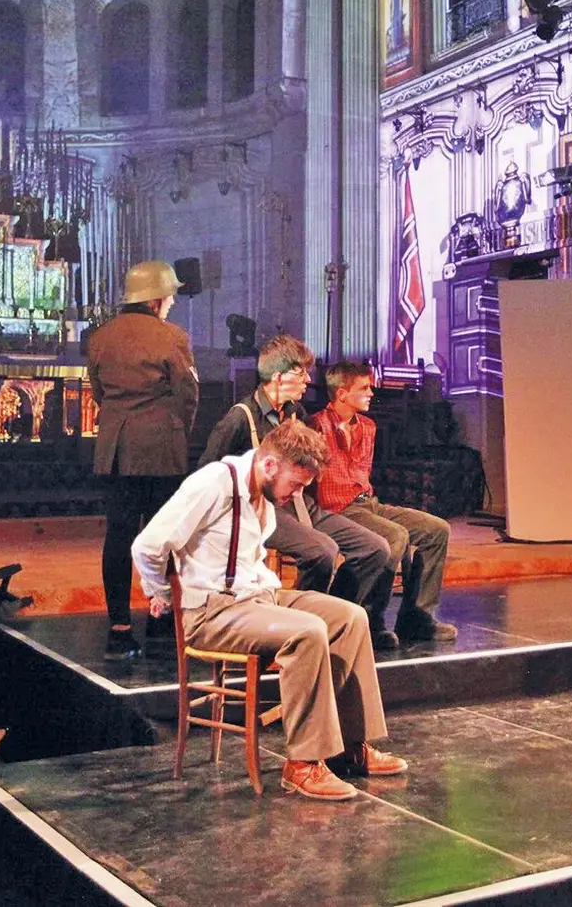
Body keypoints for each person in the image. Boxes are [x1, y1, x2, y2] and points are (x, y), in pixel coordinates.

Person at [131, 421, 408, 801]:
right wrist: (160, 592)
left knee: (350, 619)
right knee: (307, 631)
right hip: (214, 611)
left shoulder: (262, 494)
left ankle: (349, 747)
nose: (296, 494)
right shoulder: (214, 482)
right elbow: (147, 546)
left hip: (257, 598)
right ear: (270, 465)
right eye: (295, 485)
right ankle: (303, 765)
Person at [198, 334, 395, 645]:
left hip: (301, 505)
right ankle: (295, 628)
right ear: (278, 377)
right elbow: (206, 474)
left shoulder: (295, 414)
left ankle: (333, 617)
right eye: (301, 372)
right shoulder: (240, 418)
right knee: (322, 551)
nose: (308, 379)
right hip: (260, 512)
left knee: (376, 548)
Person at [87, 260, 198, 660]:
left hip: (115, 450)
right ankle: (160, 619)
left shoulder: (100, 337)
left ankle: (118, 629)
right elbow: (187, 394)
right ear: (155, 299)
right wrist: (175, 430)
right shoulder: (172, 337)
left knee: (117, 536)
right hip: (161, 450)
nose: (170, 303)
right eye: (168, 296)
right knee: (163, 536)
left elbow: (99, 392)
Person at [309, 362, 457, 643]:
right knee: (393, 536)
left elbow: (361, 475)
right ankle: (371, 619)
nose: (371, 394)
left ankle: (417, 617)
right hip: (337, 508)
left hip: (367, 503)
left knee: (436, 530)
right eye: (363, 388)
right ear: (341, 394)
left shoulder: (368, 427)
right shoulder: (317, 425)